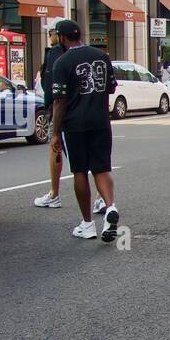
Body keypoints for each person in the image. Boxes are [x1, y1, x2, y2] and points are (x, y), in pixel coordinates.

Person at [49, 19, 121, 242]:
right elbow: (110, 87)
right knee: (101, 168)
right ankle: (110, 207)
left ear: (62, 37)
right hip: (101, 121)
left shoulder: (62, 62)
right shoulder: (102, 56)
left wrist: (54, 132)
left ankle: (87, 224)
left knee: (80, 171)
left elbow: (59, 101)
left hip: (75, 125)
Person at [33, 23, 66, 210]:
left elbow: (52, 86)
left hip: (59, 107)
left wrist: (51, 108)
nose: (49, 36)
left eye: (51, 33)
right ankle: (101, 198)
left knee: (55, 147)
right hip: (83, 109)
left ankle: (54, 194)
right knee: (88, 156)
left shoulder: (54, 53)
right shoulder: (82, 53)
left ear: (59, 35)